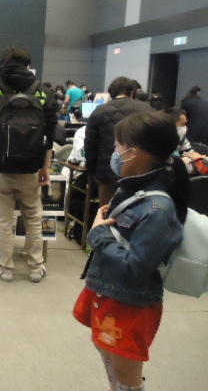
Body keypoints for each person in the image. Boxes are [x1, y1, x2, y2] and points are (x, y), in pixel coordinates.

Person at [74, 111, 188, 391]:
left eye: (117, 147)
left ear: (133, 153)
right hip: (110, 291)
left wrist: (99, 234)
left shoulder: (158, 209)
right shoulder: (133, 189)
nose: (114, 154)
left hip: (128, 303)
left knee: (126, 372)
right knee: (108, 355)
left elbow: (135, 268)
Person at [0, 47, 58, 283]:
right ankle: (35, 267)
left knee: (3, 220)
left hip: (0, 165)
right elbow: (51, 133)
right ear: (28, 65)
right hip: (32, 166)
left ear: (3, 63)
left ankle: (6, 267)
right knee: (33, 217)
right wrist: (45, 167)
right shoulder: (43, 90)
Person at [84, 77, 151, 206]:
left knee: (106, 211)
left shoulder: (99, 111)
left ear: (110, 94)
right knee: (136, 210)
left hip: (107, 173)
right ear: (133, 92)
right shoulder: (147, 110)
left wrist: (92, 170)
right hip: (139, 172)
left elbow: (90, 146)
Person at [163, 108, 207, 174]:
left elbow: (189, 151)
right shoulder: (160, 143)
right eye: (182, 124)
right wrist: (196, 161)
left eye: (185, 124)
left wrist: (198, 159)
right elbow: (169, 168)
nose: (185, 128)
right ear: (170, 126)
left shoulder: (181, 138)